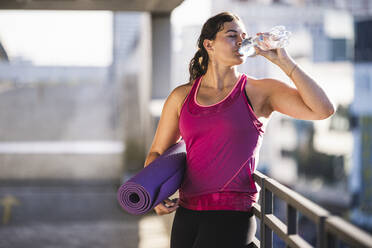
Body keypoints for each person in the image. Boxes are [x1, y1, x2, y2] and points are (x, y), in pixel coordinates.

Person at [144, 11, 335, 248]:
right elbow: (157, 152)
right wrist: (152, 192)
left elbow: (323, 110)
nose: (241, 41)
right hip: (187, 212)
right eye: (232, 35)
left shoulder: (259, 91)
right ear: (209, 44)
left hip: (232, 214)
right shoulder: (181, 96)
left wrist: (284, 61)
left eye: (243, 36)